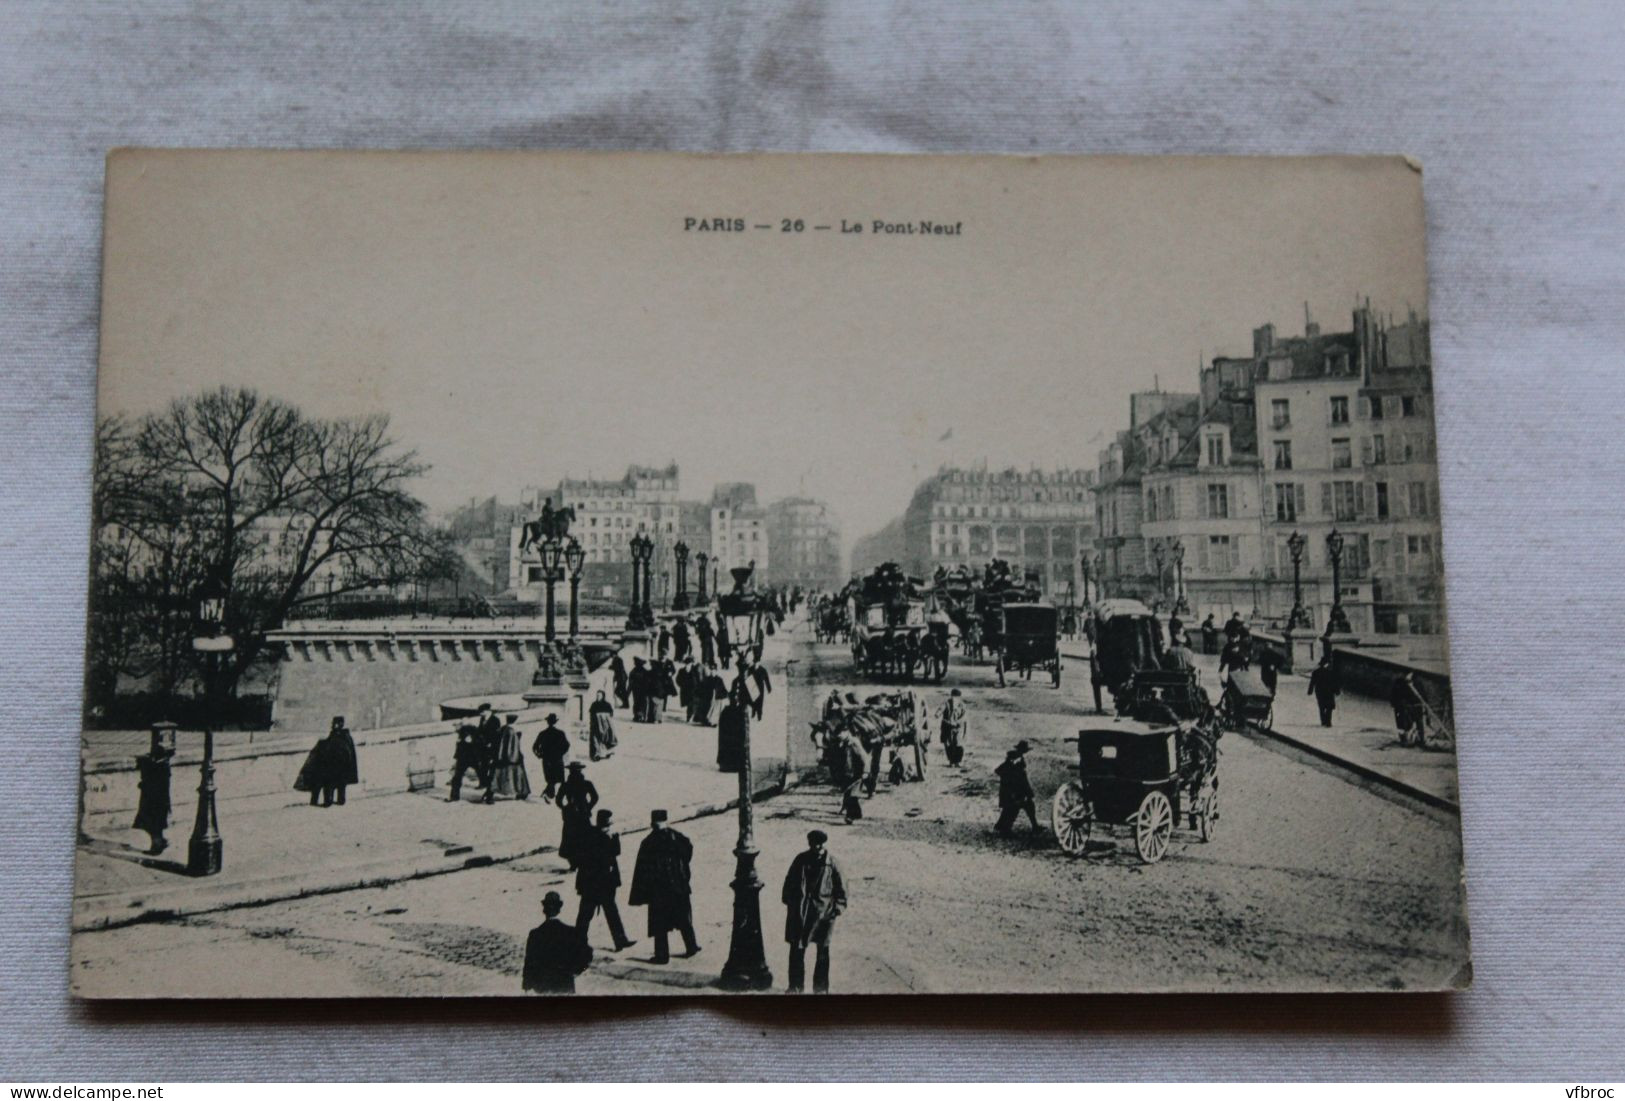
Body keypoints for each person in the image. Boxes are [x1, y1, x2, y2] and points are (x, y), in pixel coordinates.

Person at [627, 809, 700, 963]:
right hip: (678, 886)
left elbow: (641, 870)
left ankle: (662, 955)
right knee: (683, 917)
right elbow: (688, 852)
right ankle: (691, 946)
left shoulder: (648, 842)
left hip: (658, 889)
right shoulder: (677, 837)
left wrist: (642, 891)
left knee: (659, 923)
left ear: (652, 823)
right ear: (666, 821)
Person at [782, 830, 847, 993]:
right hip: (801, 913)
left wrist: (837, 909)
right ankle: (795, 987)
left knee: (823, 952)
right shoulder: (800, 860)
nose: (816, 847)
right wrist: (790, 902)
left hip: (823, 914)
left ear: (824, 845)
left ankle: (820, 990)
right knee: (797, 951)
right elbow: (789, 881)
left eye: (819, 844)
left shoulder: (832, 864)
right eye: (813, 844)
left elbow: (842, 889)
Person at [574, 809, 635, 951]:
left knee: (595, 913)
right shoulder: (597, 837)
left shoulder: (594, 835)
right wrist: (613, 838)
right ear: (606, 823)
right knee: (588, 914)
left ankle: (620, 941)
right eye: (610, 822)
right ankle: (578, 942)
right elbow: (612, 853)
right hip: (597, 884)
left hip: (595, 883)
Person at [522, 890, 593, 994]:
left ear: (544, 910)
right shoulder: (570, 932)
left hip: (542, 987)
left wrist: (527, 986)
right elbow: (587, 954)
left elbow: (529, 963)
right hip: (565, 985)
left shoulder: (535, 934)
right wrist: (576, 971)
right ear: (559, 909)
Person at [296, 716, 359, 807]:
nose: (333, 725)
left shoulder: (344, 736)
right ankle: (330, 800)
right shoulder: (336, 735)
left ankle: (336, 800)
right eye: (333, 723)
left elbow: (346, 751)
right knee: (331, 783)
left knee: (335, 784)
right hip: (334, 764)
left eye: (335, 723)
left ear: (341, 724)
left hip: (341, 765)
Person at [132, 723, 175, 854]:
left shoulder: (156, 766)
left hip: (152, 802)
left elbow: (148, 775)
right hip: (161, 802)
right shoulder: (165, 765)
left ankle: (157, 845)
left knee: (151, 823)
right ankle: (160, 841)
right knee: (156, 823)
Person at [556, 762, 597, 871]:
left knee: (571, 839)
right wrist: (588, 807)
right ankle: (584, 862)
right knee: (584, 838)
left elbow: (558, 800)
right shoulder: (586, 783)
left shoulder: (566, 785)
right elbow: (595, 797)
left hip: (571, 816)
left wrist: (565, 808)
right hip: (583, 814)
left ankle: (574, 863)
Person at [994, 740, 1041, 836]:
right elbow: (1007, 774)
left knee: (1026, 806)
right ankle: (1004, 829)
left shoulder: (1017, 759)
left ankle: (1034, 826)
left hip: (1015, 791)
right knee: (1013, 809)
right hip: (1012, 791)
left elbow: (1022, 779)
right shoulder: (1014, 760)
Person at [485, 713, 531, 802]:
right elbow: (512, 746)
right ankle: (522, 792)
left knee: (497, 775)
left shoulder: (502, 729)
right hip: (511, 757)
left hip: (500, 756)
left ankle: (489, 794)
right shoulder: (511, 731)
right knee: (515, 774)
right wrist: (514, 757)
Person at [531, 713, 571, 800]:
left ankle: (548, 794)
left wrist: (539, 755)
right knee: (558, 778)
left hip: (547, 759)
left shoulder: (543, 733)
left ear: (548, 722)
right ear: (555, 722)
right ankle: (551, 794)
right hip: (557, 759)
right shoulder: (560, 733)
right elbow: (567, 745)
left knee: (550, 778)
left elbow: (535, 747)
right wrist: (561, 753)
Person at [447, 721, 482, 802]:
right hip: (469, 758)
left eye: (456, 726)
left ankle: (454, 797)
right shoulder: (465, 734)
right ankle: (454, 796)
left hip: (466, 759)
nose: (455, 728)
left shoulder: (465, 735)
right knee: (481, 774)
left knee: (457, 777)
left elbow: (464, 747)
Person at [1391, 671, 1426, 744]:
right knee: (1404, 721)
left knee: (1415, 720)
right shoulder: (1399, 683)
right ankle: (1407, 738)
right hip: (1405, 705)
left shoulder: (1417, 682)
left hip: (1412, 704)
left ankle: (1417, 738)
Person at [475, 703, 503, 790]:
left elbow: (496, 734)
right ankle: (483, 783)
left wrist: (491, 743)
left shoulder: (495, 720)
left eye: (482, 712)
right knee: (482, 765)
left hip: (492, 747)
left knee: (491, 766)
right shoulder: (482, 719)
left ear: (487, 711)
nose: (480, 714)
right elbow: (480, 730)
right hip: (482, 746)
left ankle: (490, 784)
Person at [1308, 655, 1340, 727]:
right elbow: (1335, 683)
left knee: (1321, 706)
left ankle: (1323, 721)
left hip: (1320, 692)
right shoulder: (1331, 672)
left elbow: (1312, 682)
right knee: (1329, 707)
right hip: (1329, 692)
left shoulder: (1316, 672)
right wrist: (1337, 691)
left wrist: (1310, 691)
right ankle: (1328, 722)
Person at [938, 689, 968, 767]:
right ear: (951, 696)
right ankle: (951, 761)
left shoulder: (962, 705)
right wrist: (938, 714)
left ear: (959, 697)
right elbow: (941, 709)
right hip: (947, 727)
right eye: (953, 696)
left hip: (958, 727)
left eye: (956, 697)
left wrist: (957, 722)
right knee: (949, 744)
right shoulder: (946, 703)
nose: (955, 699)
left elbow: (964, 717)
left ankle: (957, 762)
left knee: (958, 743)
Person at [587, 691, 617, 761]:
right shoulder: (594, 704)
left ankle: (606, 752)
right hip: (595, 725)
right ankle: (596, 755)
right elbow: (591, 714)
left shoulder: (607, 705)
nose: (598, 697)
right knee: (595, 740)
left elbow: (611, 714)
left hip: (605, 725)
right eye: (597, 695)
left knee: (606, 738)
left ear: (603, 696)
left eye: (599, 695)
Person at [747, 652, 773, 721]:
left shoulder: (762, 670)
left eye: (757, 662)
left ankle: (759, 715)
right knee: (753, 700)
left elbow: (766, 679)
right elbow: (747, 678)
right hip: (752, 687)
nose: (756, 664)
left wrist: (769, 688)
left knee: (760, 702)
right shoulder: (751, 669)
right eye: (755, 662)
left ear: (759, 662)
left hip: (760, 688)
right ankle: (753, 711)